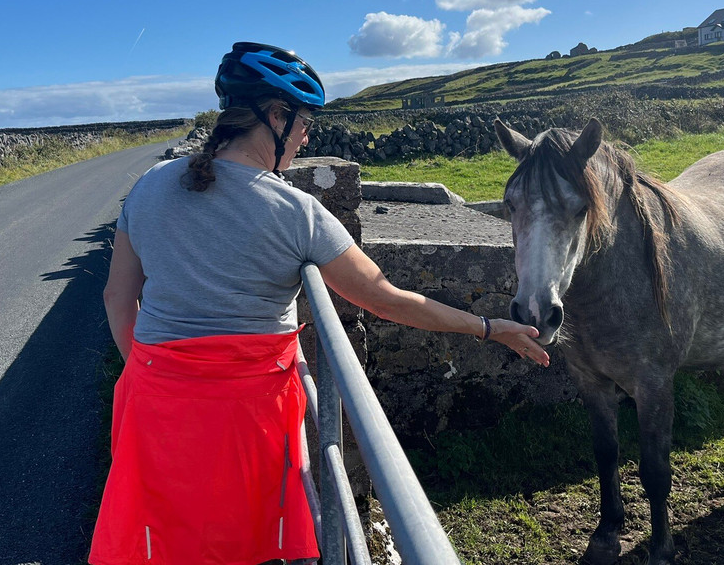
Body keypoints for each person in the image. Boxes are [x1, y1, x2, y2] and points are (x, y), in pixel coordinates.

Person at [89, 42, 549, 565]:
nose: (309, 135)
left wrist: (148, 370)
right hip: (247, 413)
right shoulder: (297, 211)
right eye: (304, 120)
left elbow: (116, 296)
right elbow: (388, 300)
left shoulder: (149, 186)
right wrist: (489, 327)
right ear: (275, 116)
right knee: (244, 545)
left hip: (154, 399)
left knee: (160, 542)